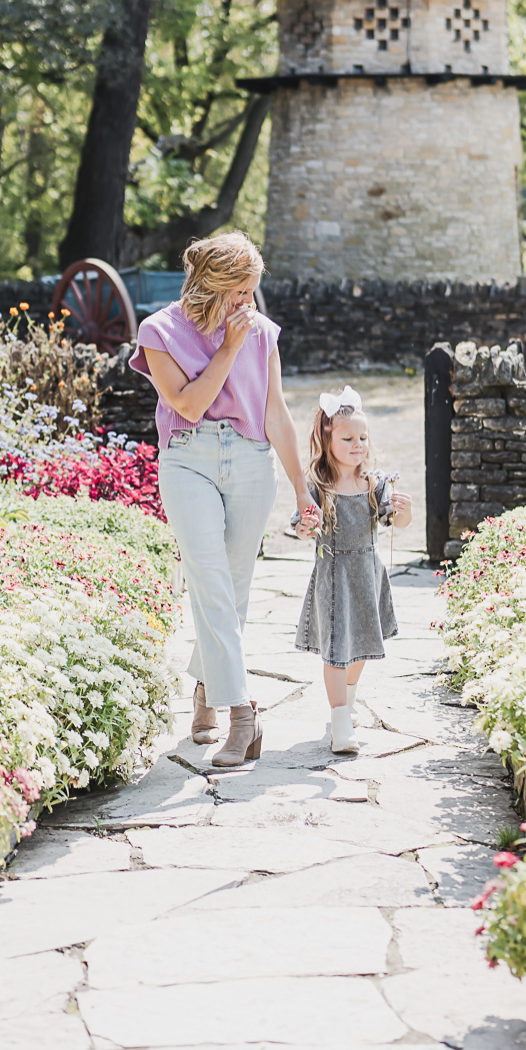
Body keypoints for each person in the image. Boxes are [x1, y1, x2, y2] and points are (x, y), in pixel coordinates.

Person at [129, 233, 321, 768]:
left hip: (253, 462)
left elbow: (276, 414)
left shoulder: (261, 333)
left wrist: (303, 492)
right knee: (209, 580)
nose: (249, 305)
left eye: (253, 292)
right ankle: (243, 713)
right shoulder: (158, 332)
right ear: (212, 287)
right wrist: (231, 347)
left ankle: (205, 690)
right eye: (241, 293)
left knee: (232, 592)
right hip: (187, 459)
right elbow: (187, 405)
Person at [293, 386, 412, 753]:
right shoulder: (318, 486)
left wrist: (405, 513)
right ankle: (339, 719)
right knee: (336, 650)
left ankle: (349, 697)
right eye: (348, 437)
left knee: (360, 649)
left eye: (363, 437)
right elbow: (302, 523)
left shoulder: (374, 484)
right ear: (328, 439)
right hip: (334, 577)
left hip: (366, 575)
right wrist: (305, 527)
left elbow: (398, 522)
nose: (357, 444)